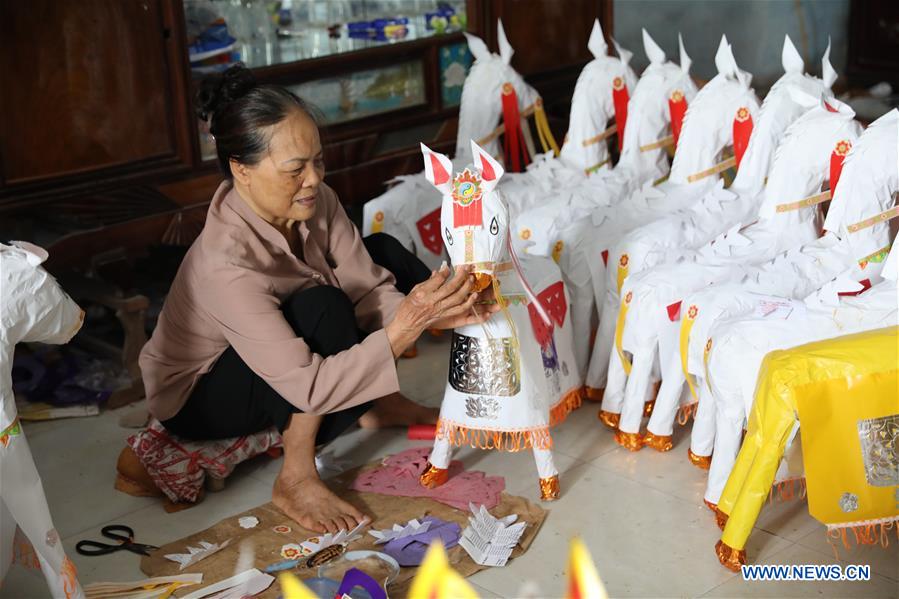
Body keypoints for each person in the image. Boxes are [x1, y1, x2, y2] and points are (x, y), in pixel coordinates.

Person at [137, 64, 497, 533]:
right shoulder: (223, 265)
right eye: (295, 169)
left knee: (382, 251)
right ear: (241, 170)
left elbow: (366, 286)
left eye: (318, 161)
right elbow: (310, 388)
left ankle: (380, 403)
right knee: (323, 307)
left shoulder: (316, 198)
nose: (312, 179)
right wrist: (405, 326)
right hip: (199, 396)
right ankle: (296, 477)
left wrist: (433, 315)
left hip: (278, 362)